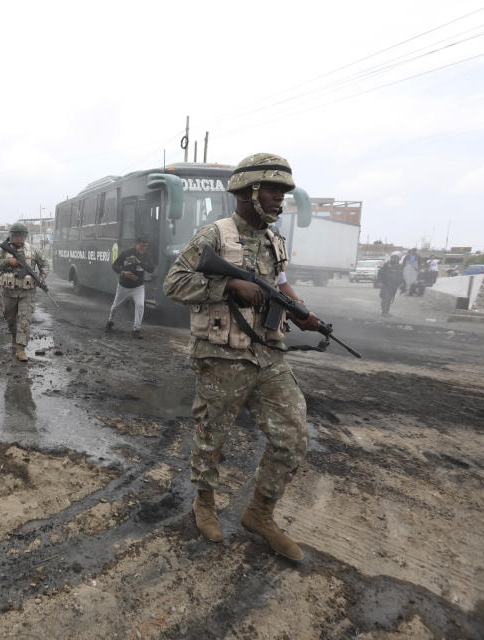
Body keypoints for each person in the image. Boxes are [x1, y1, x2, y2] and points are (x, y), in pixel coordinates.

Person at [163, 152, 320, 561]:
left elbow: (281, 282)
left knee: (293, 438)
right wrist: (228, 287)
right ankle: (204, 503)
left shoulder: (274, 239)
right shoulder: (213, 236)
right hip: (222, 357)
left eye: (284, 192)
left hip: (268, 356)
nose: (279, 199)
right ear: (249, 192)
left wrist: (302, 312)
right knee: (211, 438)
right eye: (273, 190)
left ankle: (260, 514)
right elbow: (174, 283)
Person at [0, 222, 49, 362]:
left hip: (27, 293)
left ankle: (21, 349)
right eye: (16, 235)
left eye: (22, 236)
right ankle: (14, 336)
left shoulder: (33, 250)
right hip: (8, 292)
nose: (19, 239)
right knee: (10, 319)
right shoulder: (3, 251)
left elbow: (45, 264)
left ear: (25, 236)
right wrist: (8, 262)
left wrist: (42, 276)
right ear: (11, 235)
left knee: (24, 319)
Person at [106, 237, 154, 338]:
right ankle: (110, 321)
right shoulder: (126, 253)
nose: (143, 248)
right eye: (142, 245)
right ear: (136, 244)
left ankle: (136, 330)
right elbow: (114, 266)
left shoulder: (148, 256)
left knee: (140, 305)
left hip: (138, 286)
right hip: (124, 285)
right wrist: (122, 272)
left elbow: (151, 269)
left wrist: (140, 262)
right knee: (116, 306)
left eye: (146, 246)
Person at [377, 253, 404, 317]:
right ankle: (384, 312)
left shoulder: (400, 266)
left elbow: (401, 276)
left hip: (394, 286)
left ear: (398, 259)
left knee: (390, 299)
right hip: (386, 284)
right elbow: (380, 273)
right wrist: (380, 282)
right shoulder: (386, 265)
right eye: (392, 258)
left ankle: (386, 311)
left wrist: (401, 283)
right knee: (386, 298)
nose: (393, 259)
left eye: (395, 258)